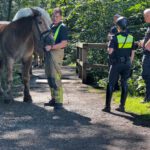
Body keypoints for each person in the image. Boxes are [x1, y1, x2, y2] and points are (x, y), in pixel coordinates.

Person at [102, 16, 135, 112]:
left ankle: (107, 107)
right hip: (127, 63)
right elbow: (132, 53)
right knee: (124, 83)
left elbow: (110, 51)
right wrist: (130, 63)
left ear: (118, 27)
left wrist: (109, 45)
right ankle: (122, 106)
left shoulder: (115, 38)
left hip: (116, 64)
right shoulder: (131, 37)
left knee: (111, 83)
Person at [44, 7, 68, 110]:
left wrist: (51, 47)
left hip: (56, 53)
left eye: (57, 16)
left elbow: (64, 43)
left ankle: (59, 102)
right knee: (49, 77)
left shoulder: (62, 27)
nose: (54, 18)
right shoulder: (50, 26)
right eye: (53, 16)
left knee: (55, 77)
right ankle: (53, 99)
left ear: (61, 17)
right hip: (49, 53)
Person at [138, 9, 150, 103]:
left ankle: (148, 97)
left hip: (148, 54)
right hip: (147, 53)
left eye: (145, 16)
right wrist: (142, 41)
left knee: (146, 75)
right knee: (146, 75)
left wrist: (146, 45)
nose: (144, 18)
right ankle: (148, 97)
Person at [108, 14, 121, 91]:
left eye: (115, 19)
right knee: (112, 69)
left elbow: (111, 37)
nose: (114, 20)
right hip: (113, 51)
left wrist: (113, 37)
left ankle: (116, 86)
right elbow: (109, 37)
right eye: (114, 19)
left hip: (118, 51)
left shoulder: (123, 28)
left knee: (116, 69)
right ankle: (114, 86)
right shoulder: (113, 28)